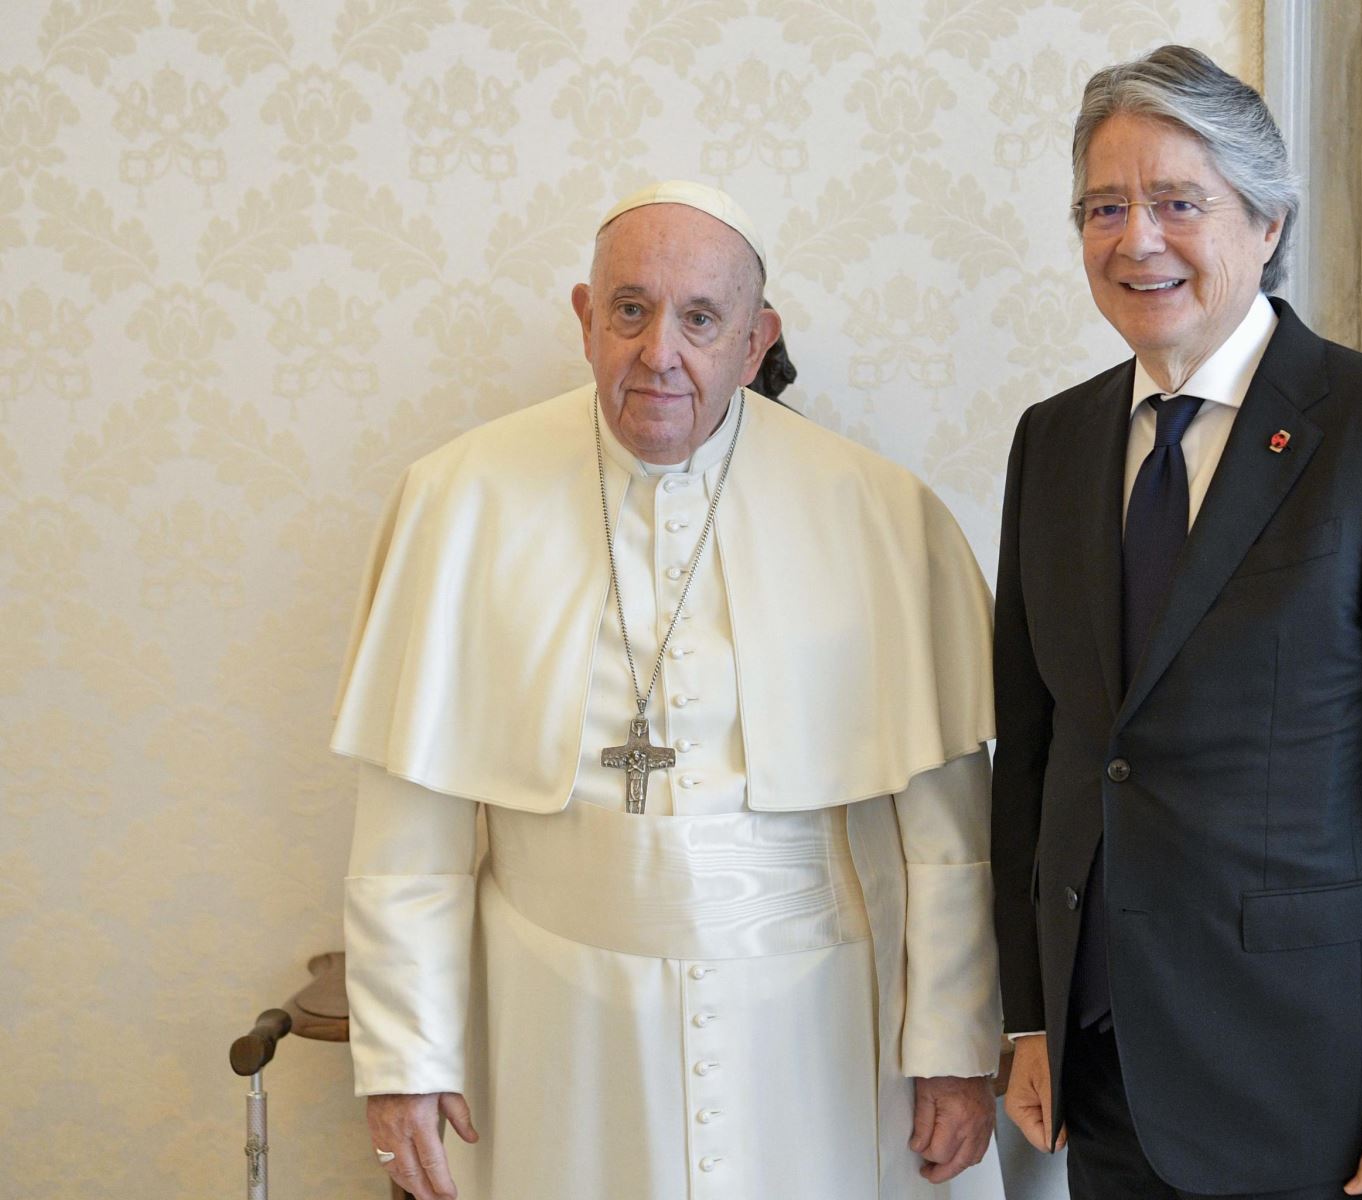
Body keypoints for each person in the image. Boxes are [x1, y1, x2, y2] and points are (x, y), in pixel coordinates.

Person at [333, 179, 1005, 1200]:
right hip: (551, 1014)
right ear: (583, 318)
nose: (661, 355)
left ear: (755, 338)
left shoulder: (879, 512)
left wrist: (955, 1046)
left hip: (811, 1021)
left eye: (701, 319)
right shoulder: (458, 499)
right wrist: (403, 1060)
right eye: (631, 310)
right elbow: (408, 834)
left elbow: (948, 832)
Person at [991, 46, 1362, 1200]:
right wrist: (1030, 1015)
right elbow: (1035, 752)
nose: (1136, 239)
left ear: (1267, 223)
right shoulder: (1053, 442)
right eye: (1105, 207)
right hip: (1100, 1076)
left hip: (1313, 1085)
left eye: (1178, 202)